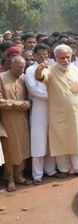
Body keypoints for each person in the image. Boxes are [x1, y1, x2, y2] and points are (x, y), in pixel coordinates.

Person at [35, 44, 78, 178]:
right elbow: (39, 77)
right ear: (55, 58)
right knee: (61, 141)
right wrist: (39, 68)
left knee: (77, 141)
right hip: (58, 114)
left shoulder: (76, 69)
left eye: (67, 57)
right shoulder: (50, 70)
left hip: (75, 113)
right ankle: (64, 170)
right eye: (61, 58)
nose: (65, 60)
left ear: (71, 57)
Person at [25, 43, 57, 184]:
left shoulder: (52, 68)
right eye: (41, 54)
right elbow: (33, 90)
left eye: (46, 54)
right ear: (34, 55)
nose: (44, 56)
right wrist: (54, 96)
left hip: (53, 108)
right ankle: (37, 175)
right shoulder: (30, 70)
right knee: (38, 141)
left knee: (51, 140)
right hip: (39, 108)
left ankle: (50, 170)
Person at [0, 56, 32, 192]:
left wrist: (28, 103)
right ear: (11, 66)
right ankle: (10, 179)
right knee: (10, 150)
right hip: (7, 120)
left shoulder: (24, 78)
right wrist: (19, 104)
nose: (22, 70)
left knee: (23, 148)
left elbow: (30, 96)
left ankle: (19, 176)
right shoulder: (1, 78)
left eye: (23, 67)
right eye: (19, 67)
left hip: (23, 119)